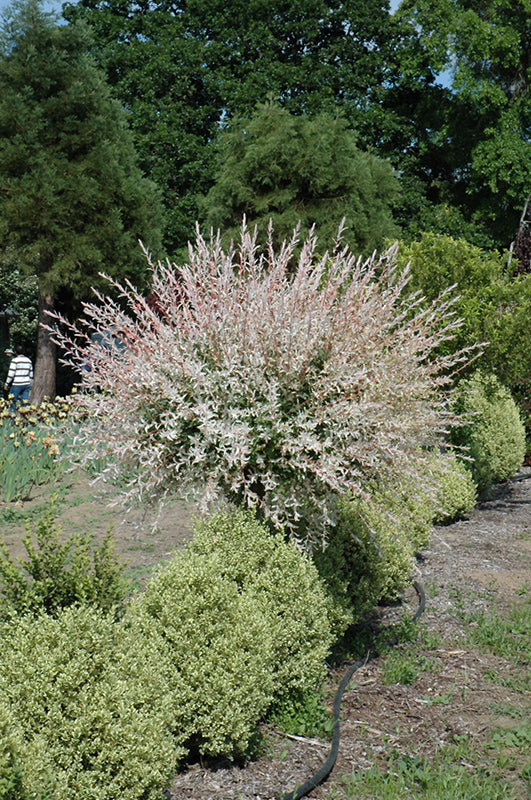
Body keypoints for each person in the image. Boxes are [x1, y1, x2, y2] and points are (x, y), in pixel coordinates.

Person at [3, 344, 33, 412]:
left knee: (12, 401)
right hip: (26, 384)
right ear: (24, 352)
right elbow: (31, 374)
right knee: (25, 402)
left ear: (15, 352)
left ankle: (12, 420)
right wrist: (30, 383)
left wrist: (6, 383)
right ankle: (26, 419)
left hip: (17, 384)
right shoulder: (28, 360)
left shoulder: (15, 361)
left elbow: (11, 374)